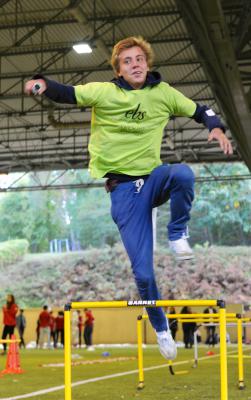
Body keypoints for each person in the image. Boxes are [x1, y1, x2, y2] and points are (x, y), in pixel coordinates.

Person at [24, 36, 232, 360]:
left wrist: (215, 126)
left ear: (147, 63)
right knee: (144, 274)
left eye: (139, 59)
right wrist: (42, 84)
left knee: (182, 174)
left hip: (153, 179)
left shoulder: (163, 94)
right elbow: (68, 94)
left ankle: (177, 232)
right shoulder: (105, 92)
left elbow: (200, 110)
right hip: (123, 191)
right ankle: (162, 328)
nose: (135, 64)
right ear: (118, 70)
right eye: (127, 61)